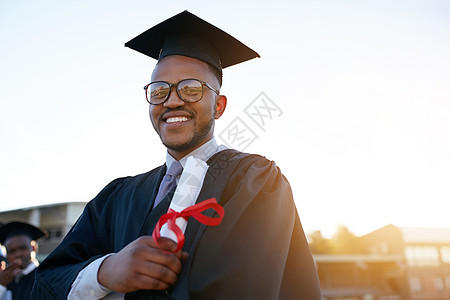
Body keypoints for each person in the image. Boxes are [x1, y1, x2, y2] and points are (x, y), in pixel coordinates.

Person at [32, 11, 322, 299]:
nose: (172, 101)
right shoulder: (117, 197)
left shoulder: (253, 182)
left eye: (191, 89)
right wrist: (106, 271)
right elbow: (46, 282)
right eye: (159, 91)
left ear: (219, 106)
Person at [0, 221, 47, 300]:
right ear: (6, 255)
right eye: (11, 251)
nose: (18, 254)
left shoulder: (44, 278)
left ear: (34, 248)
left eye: (23, 248)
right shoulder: (7, 282)